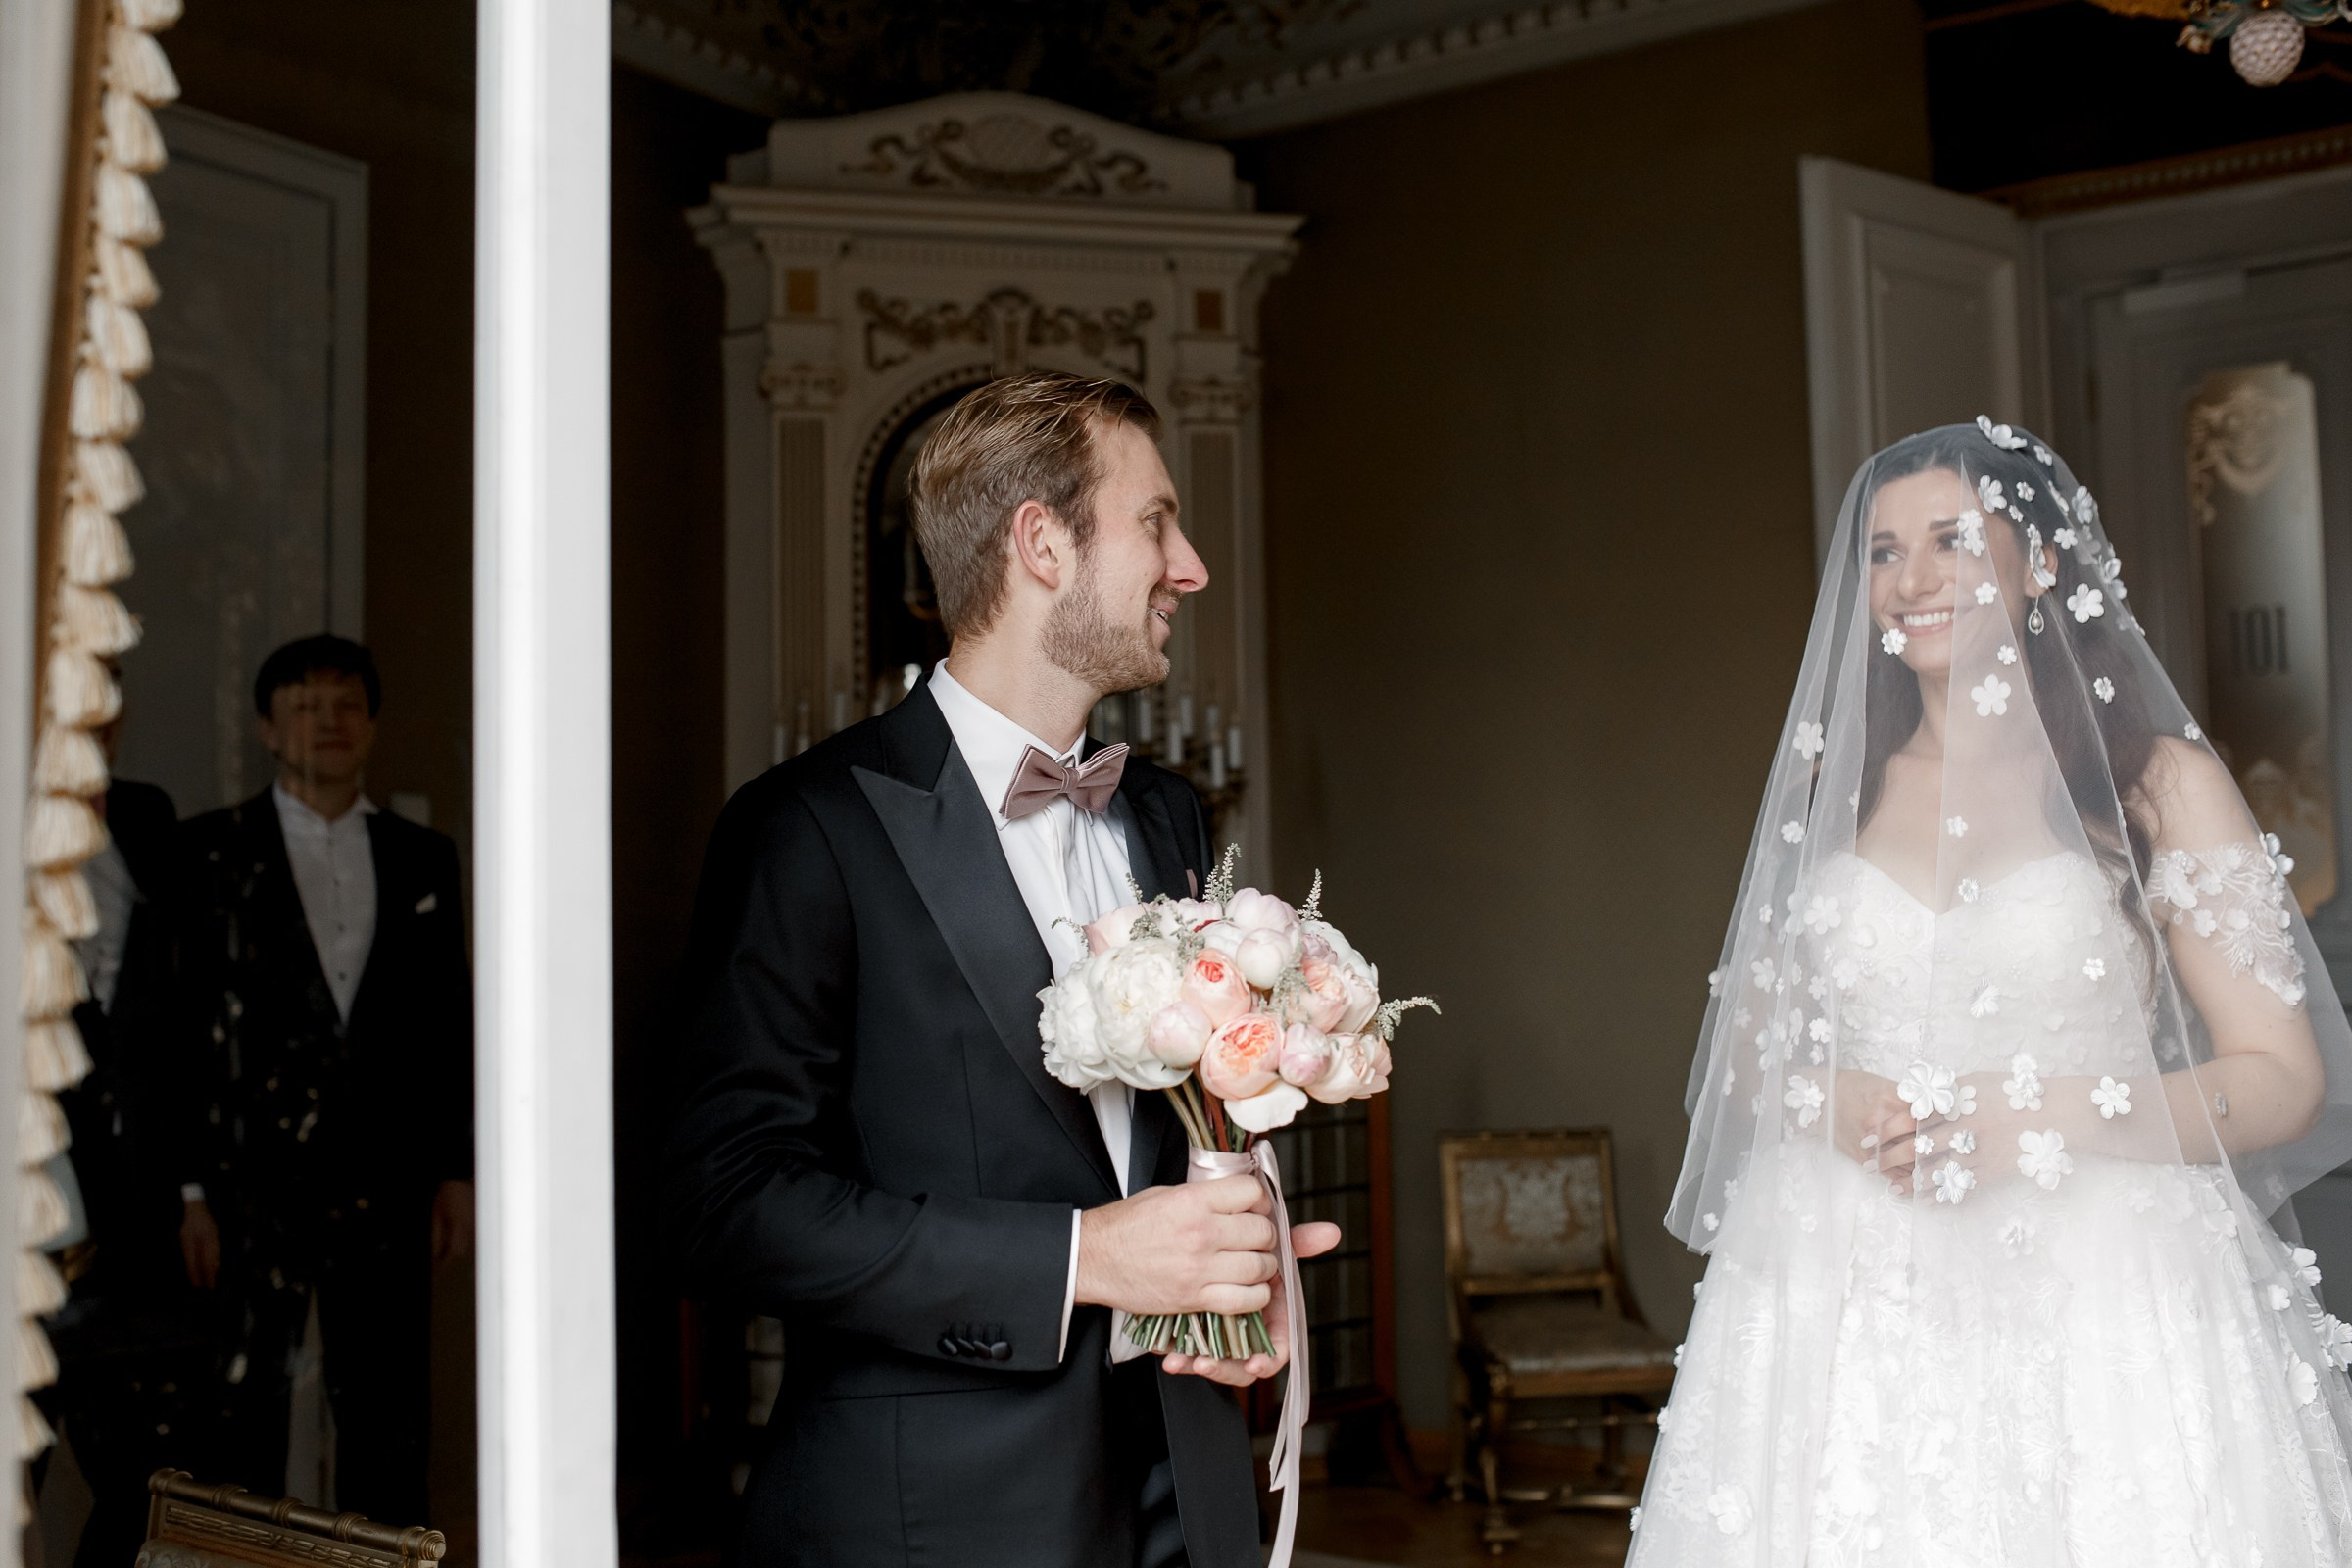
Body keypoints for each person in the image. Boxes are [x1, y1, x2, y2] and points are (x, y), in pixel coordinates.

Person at [1630, 421, 2352, 1563]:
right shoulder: (1832, 784)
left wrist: (2044, 1117)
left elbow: (2284, 1077)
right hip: (1841, 1281)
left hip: (2100, 1276)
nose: (1911, 580)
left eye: (1953, 540)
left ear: (2043, 561)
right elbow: (1750, 1050)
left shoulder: (2157, 785)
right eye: (1883, 551)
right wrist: (1837, 1097)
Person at [665, 371, 1338, 1568]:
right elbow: (728, 1204)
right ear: (1041, 543)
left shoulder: (1167, 814)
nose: (1190, 567)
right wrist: (1085, 1259)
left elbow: (1168, 1142)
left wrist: (1237, 1271)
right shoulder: (808, 827)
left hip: (1184, 1492)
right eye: (1156, 522)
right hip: (937, 1515)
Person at [176, 634, 473, 1524]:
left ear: (372, 725)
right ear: (268, 729)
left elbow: (446, 1020)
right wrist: (187, 1191)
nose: (329, 723)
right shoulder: (209, 851)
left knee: (388, 1416)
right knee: (240, 1414)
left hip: (387, 1176)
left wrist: (456, 1169)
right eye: (306, 706)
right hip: (246, 1182)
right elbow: (179, 1028)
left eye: (347, 705)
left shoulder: (423, 855)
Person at [43, 766, 217, 1568]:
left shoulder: (146, 817)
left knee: (143, 1483)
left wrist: (192, 1193)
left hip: (138, 1211)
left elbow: (181, 1025)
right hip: (39, 1209)